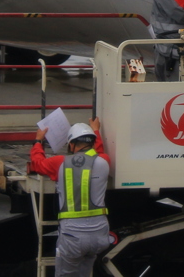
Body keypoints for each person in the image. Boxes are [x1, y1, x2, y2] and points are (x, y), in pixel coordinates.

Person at [28, 118, 111, 277]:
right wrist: (96, 131)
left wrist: (38, 141)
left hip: (73, 237)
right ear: (92, 143)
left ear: (71, 144)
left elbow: (37, 164)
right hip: (99, 235)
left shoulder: (60, 162)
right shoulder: (104, 161)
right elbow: (98, 153)